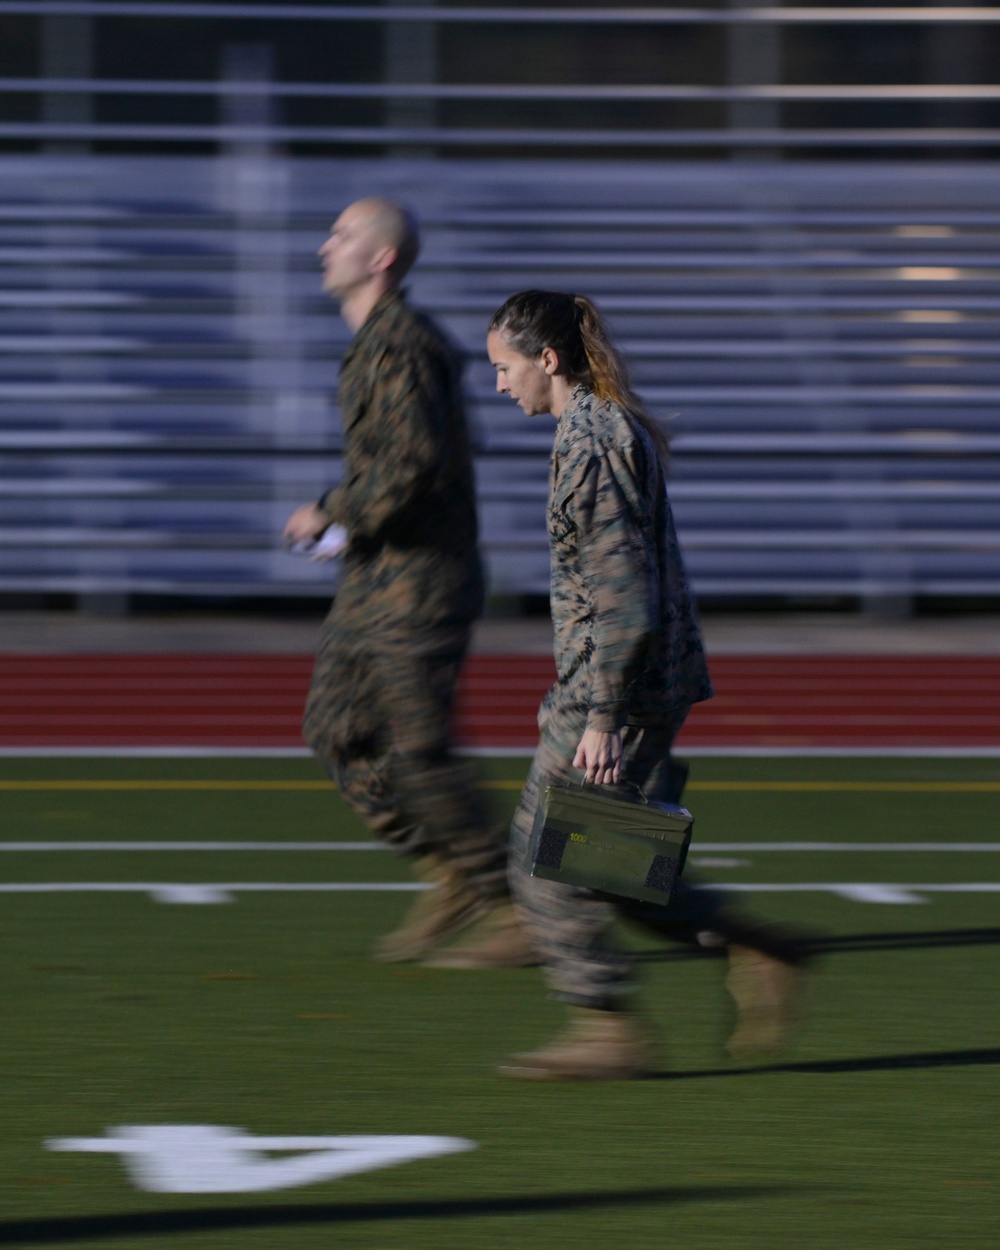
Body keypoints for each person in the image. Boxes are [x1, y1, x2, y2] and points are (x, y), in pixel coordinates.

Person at [486, 289, 807, 1080]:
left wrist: (599, 715)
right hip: (633, 683)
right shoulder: (597, 428)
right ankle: (756, 947)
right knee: (611, 864)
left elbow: (624, 595)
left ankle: (608, 1026)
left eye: (504, 367)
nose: (498, 384)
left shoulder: (591, 444)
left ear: (546, 360)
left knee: (541, 856)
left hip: (618, 691)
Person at [284, 197, 531, 967]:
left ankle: (513, 903)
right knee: (336, 730)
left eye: (344, 234)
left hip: (420, 582)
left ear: (381, 259)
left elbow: (412, 465)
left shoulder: (401, 345)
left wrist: (329, 510)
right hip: (377, 576)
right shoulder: (374, 345)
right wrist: (349, 528)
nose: (326, 244)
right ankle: (451, 871)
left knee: (420, 749)